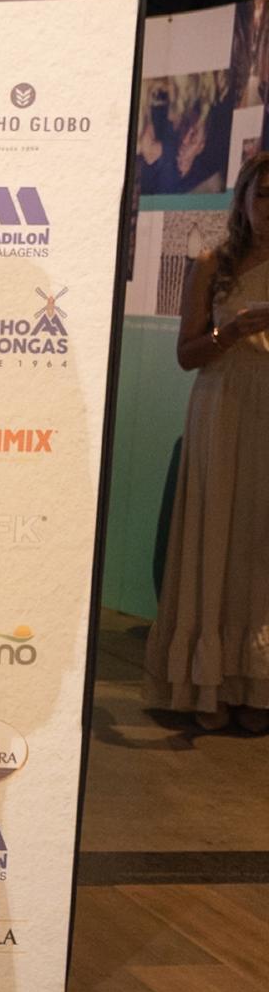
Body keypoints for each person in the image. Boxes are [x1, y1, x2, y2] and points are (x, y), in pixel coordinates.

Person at [146, 151, 269, 732]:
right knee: (215, 535)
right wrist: (233, 330)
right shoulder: (211, 264)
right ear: (242, 198)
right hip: (222, 408)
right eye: (262, 193)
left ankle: (256, 684)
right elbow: (186, 354)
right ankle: (204, 682)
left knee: (260, 544)